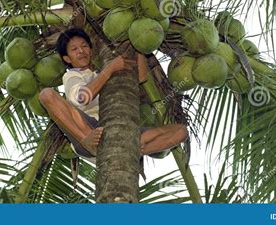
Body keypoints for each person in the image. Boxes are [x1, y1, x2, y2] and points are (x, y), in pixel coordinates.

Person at [39, 28, 188, 160]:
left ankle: (135, 149)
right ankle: (86, 140)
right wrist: (110, 68)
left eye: (84, 46)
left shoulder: (100, 74)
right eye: (74, 49)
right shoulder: (72, 75)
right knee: (46, 94)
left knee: (181, 132)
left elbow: (141, 77)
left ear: (91, 50)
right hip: (88, 128)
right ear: (67, 59)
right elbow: (82, 98)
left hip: (119, 132)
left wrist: (139, 46)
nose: (81, 51)